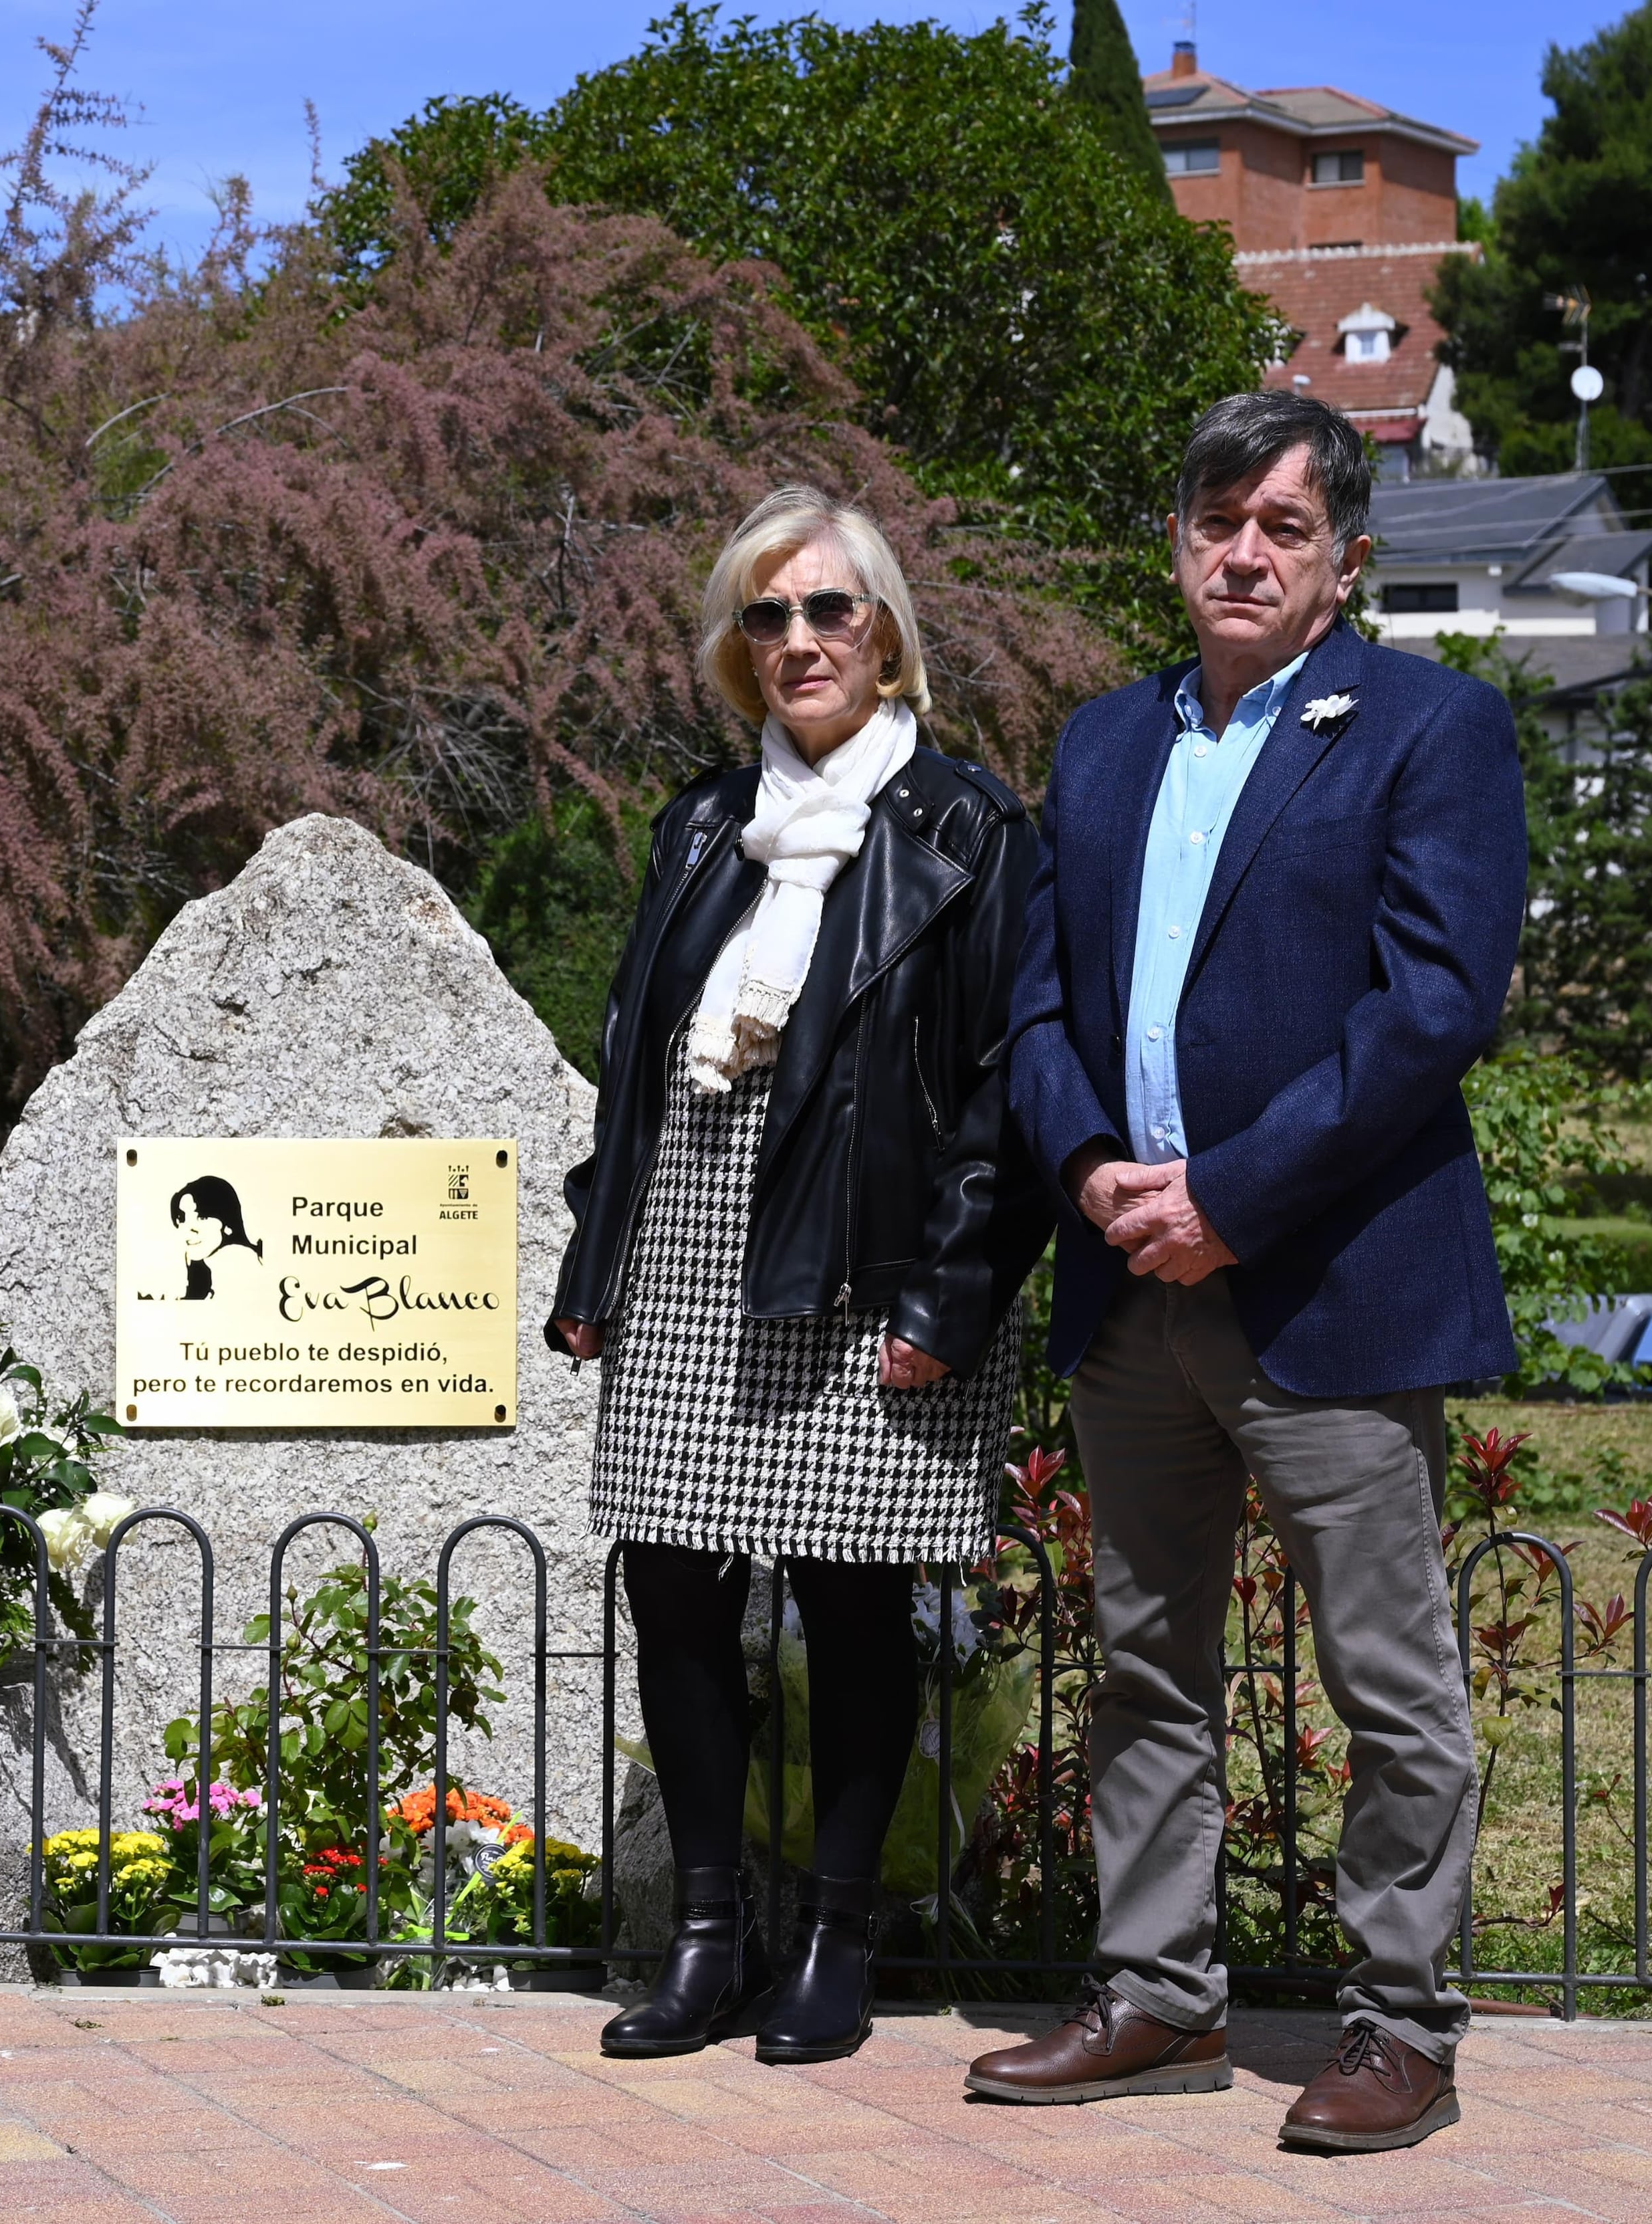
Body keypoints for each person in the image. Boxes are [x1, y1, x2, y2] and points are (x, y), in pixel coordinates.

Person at [969, 393, 1526, 2152]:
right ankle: (1158, 1992)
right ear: (1176, 541)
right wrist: (1092, 1168)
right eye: (1219, 519)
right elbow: (1036, 999)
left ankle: (1400, 2026)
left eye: (1285, 525)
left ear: (1345, 556)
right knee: (1145, 1665)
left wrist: (1230, 1193)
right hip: (1131, 1284)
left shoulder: (1430, 730)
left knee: (1391, 1683)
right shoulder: (1104, 741)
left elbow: (1431, 1009)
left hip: (1328, 1287)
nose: (1245, 551)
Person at [547, 486, 1040, 2066]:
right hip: (691, 1239)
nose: (799, 640)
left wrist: (946, 1295)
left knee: (849, 1597)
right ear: (735, 648)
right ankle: (705, 1939)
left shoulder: (965, 823)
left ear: (886, 634)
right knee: (673, 1582)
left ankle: (835, 1933)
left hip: (864, 1261)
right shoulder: (703, 822)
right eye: (766, 616)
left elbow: (997, 1088)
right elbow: (632, 1060)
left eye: (829, 610)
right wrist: (596, 1247)